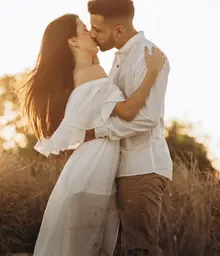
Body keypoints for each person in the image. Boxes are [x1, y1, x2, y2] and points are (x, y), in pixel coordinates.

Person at [20, 13, 165, 256]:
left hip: (88, 166)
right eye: (84, 29)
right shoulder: (92, 74)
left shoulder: (84, 73)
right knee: (87, 247)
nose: (91, 33)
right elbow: (129, 112)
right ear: (73, 42)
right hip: (94, 170)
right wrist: (152, 72)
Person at [85, 0, 173, 255]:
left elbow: (146, 118)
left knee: (138, 249)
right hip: (121, 167)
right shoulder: (118, 58)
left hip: (142, 168)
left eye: (97, 29)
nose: (93, 34)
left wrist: (98, 133)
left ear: (120, 31)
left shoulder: (148, 56)